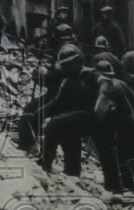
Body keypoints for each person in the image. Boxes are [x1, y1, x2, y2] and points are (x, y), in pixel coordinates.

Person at [39, 45, 96, 177]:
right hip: (79, 117)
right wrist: (40, 113)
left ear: (77, 63)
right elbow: (58, 103)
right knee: (67, 129)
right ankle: (72, 170)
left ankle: (45, 163)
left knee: (55, 124)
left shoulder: (90, 75)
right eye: (65, 66)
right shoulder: (68, 81)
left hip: (93, 116)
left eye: (70, 65)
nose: (67, 69)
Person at [16, 41, 83, 152]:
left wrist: (36, 76)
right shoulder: (75, 70)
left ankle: (28, 143)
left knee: (31, 110)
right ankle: (31, 140)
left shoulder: (65, 72)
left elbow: (46, 80)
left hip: (58, 101)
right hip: (62, 101)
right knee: (33, 111)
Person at [89, 60, 134, 194]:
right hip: (133, 125)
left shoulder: (105, 88)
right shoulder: (120, 84)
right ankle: (131, 185)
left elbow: (99, 113)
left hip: (126, 128)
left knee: (123, 157)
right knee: (126, 157)